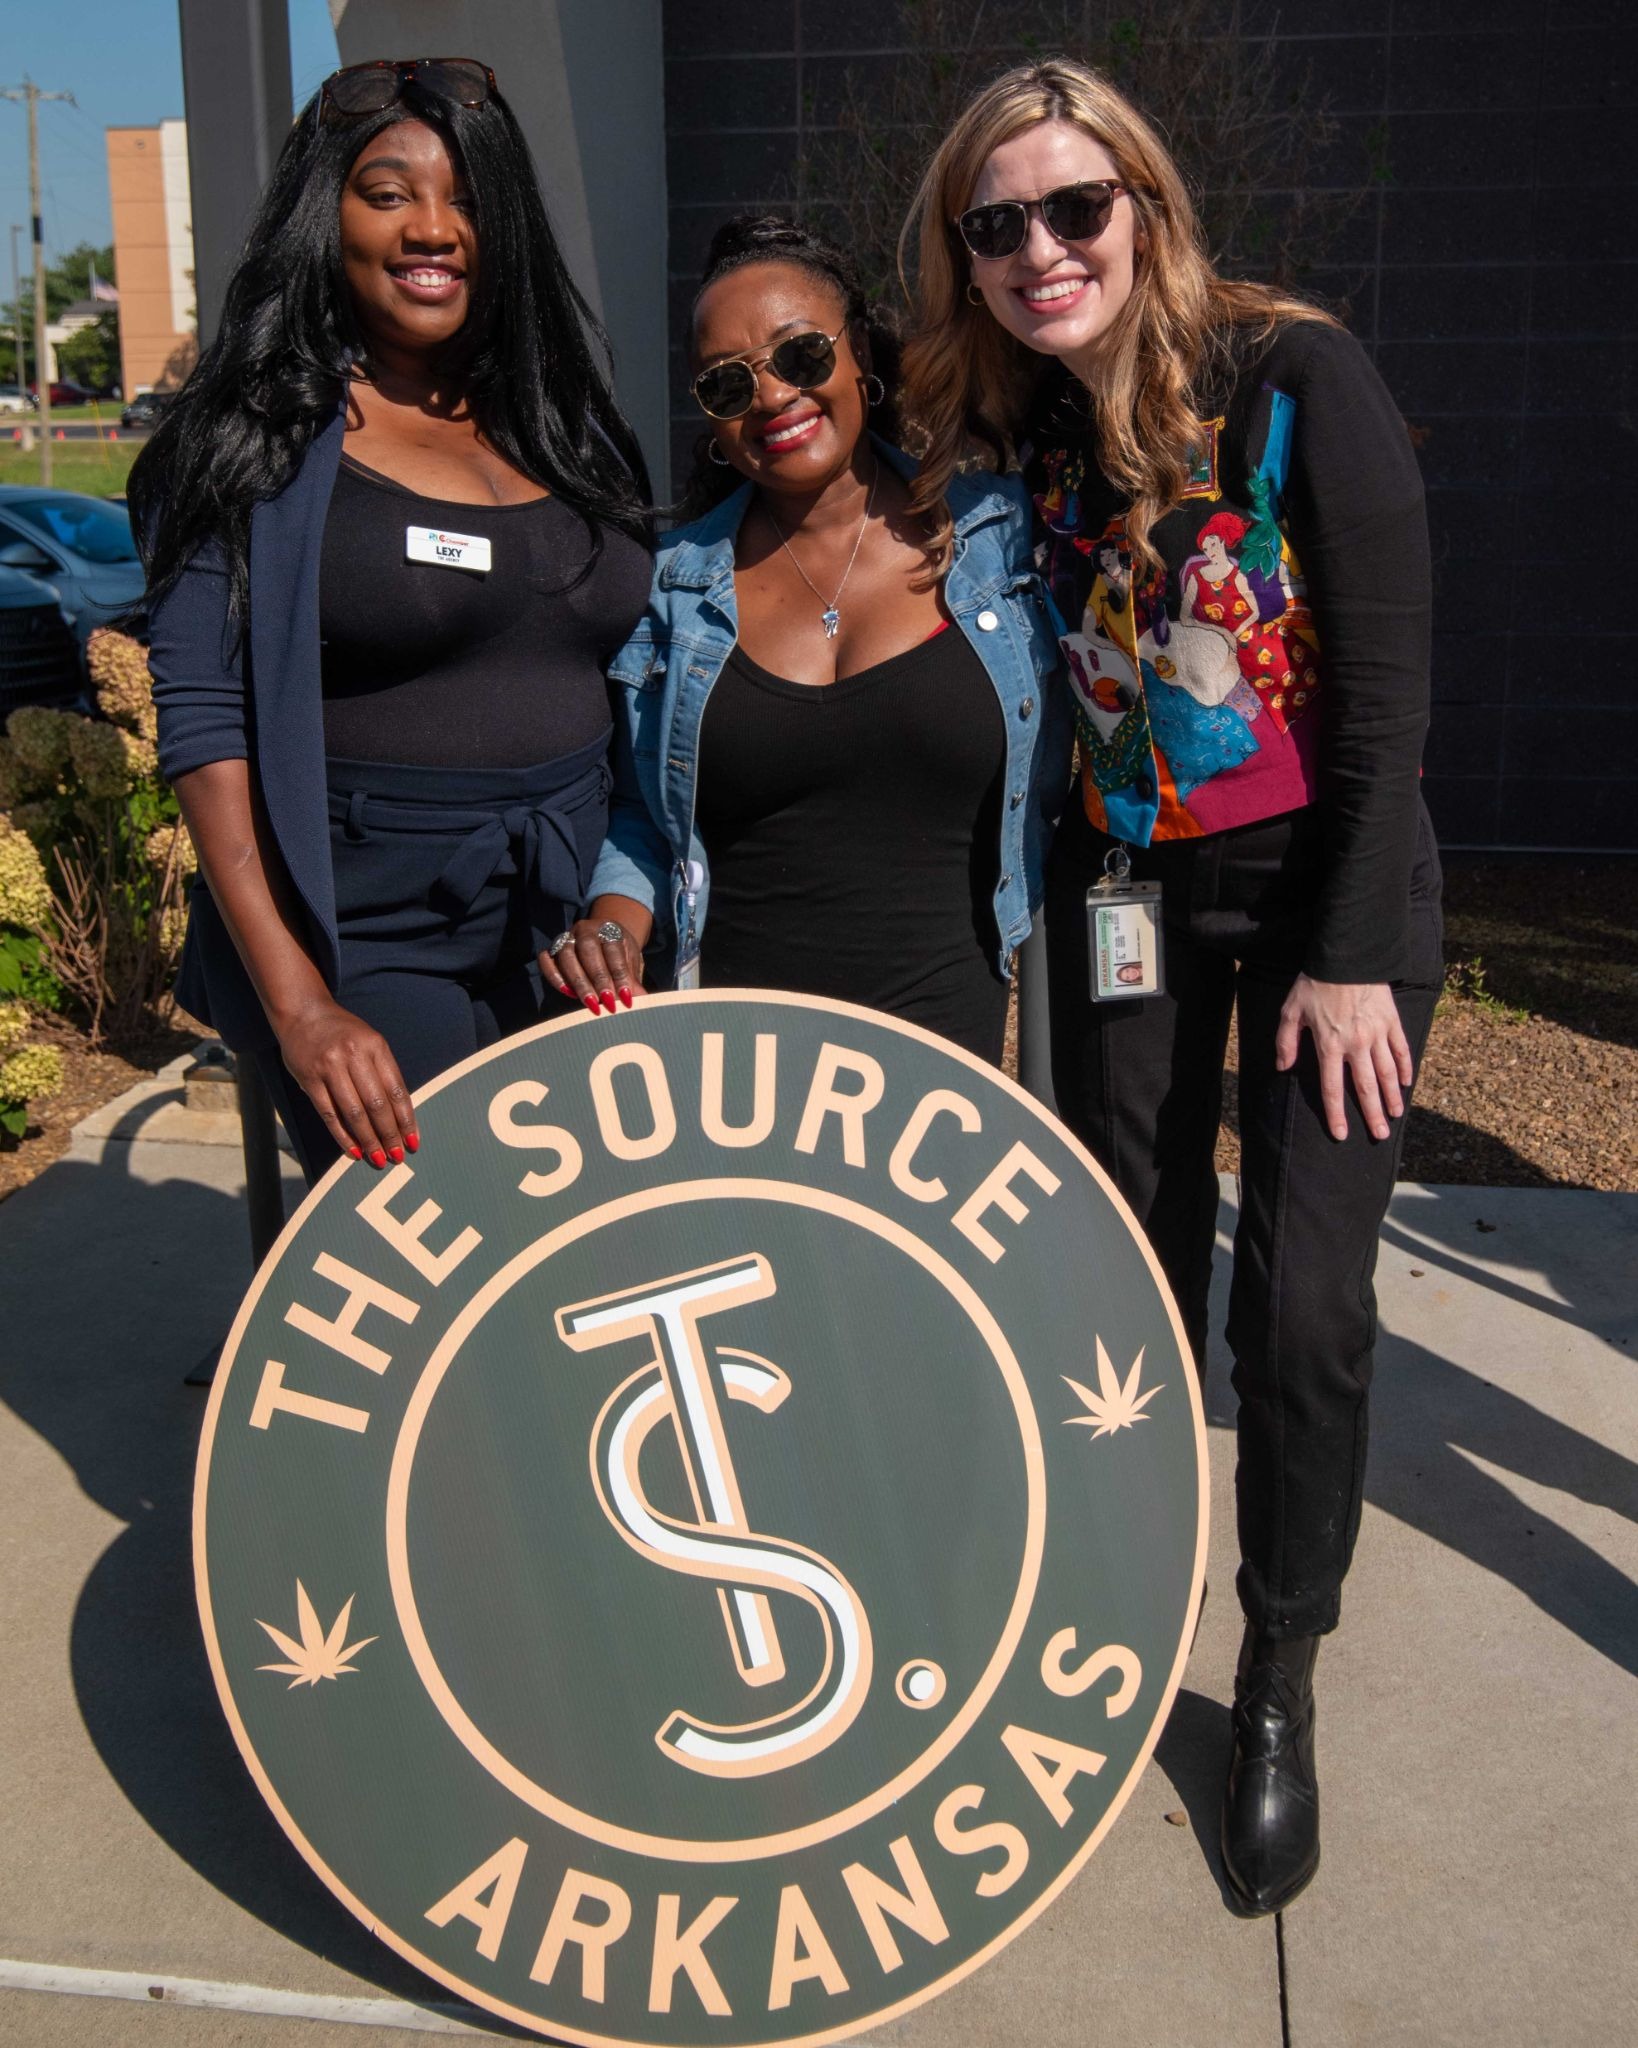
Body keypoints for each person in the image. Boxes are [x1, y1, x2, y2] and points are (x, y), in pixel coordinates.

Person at [902, 59, 1443, 1912]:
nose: (1040, 249)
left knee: (1297, 1313)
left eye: (1072, 207)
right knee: (1119, 1264)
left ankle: (1273, 1673)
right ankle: (1110, 1601)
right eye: (997, 225)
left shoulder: (1291, 373)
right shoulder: (1019, 428)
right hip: (1127, 898)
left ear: (1139, 202)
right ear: (961, 256)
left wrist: (1355, 954)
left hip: (1322, 913)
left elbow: (1383, 698)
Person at [132, 57, 652, 1182]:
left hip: (564, 931)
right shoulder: (246, 443)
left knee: (594, 1238)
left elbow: (629, 673)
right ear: (327, 214)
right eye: (389, 194)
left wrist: (622, 896)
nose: (434, 228)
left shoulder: (566, 425)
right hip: (362, 939)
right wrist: (300, 1005)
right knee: (457, 1240)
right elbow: (205, 728)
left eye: (467, 198)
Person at [542, 215, 1070, 1065]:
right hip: (737, 1063)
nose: (774, 397)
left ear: (860, 353)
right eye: (726, 385)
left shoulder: (1003, 540)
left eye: (801, 356)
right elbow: (642, 814)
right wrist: (612, 924)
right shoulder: (670, 587)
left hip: (943, 1051)